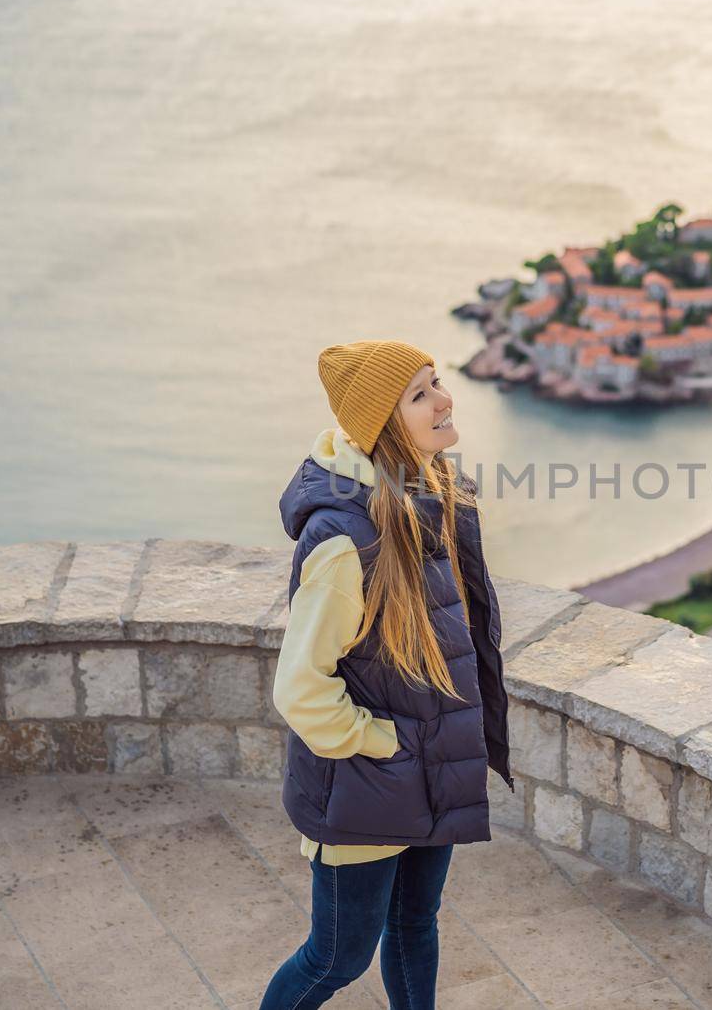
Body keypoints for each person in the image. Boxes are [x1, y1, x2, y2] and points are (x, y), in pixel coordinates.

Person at [259, 339, 514, 1010]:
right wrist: (383, 742)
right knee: (337, 955)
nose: (444, 399)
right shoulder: (347, 541)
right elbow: (300, 688)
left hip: (427, 770)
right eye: (420, 393)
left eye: (438, 382)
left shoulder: (434, 497)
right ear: (383, 424)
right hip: (369, 781)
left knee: (414, 927)